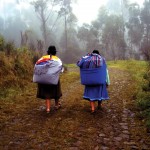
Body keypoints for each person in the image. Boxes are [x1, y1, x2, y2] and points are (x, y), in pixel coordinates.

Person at [35, 46, 63, 113]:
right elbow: (61, 69)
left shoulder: (42, 58)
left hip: (44, 79)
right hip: (53, 78)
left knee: (47, 93)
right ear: (55, 52)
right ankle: (56, 105)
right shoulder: (57, 59)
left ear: (48, 52)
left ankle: (48, 109)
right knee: (56, 91)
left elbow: (37, 66)